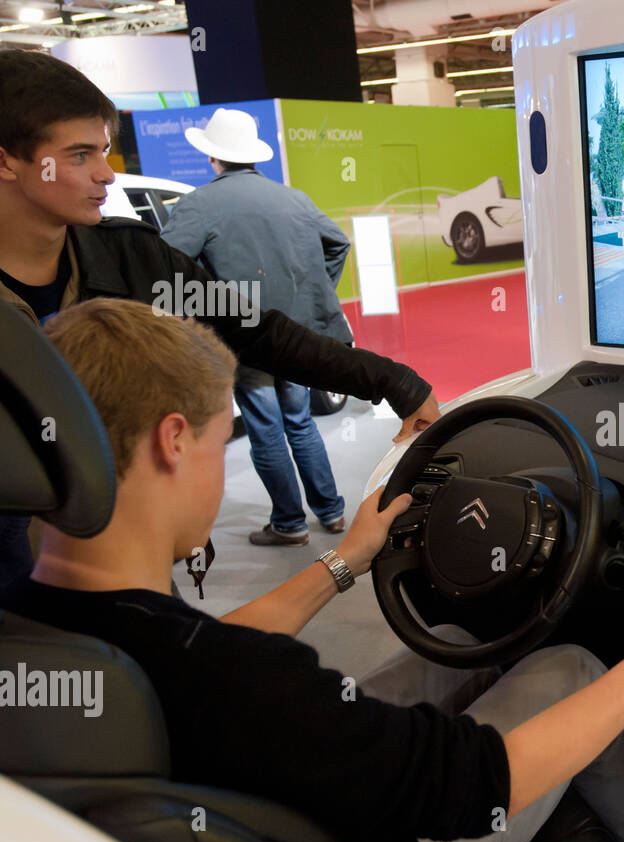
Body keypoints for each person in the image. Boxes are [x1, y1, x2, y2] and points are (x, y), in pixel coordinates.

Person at [1, 297, 624, 842]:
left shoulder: (41, 622)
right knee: (577, 668)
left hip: (258, 793)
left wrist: (345, 562)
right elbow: (480, 785)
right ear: (172, 441)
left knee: (461, 638)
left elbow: (194, 650)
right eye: (217, 434)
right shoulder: (251, 686)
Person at [0, 51, 440, 587]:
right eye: (79, 155)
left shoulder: (132, 259)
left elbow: (257, 332)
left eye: (105, 151)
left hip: (123, 552)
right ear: (7, 162)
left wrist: (394, 381)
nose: (105, 174)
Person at [160, 108, 352, 546]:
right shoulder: (293, 198)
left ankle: (289, 523)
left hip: (245, 335)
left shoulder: (200, 204)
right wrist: (310, 295)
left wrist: (199, 307)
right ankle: (333, 512)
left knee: (266, 429)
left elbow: (165, 265)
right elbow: (338, 243)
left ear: (213, 158)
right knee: (300, 423)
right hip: (296, 334)